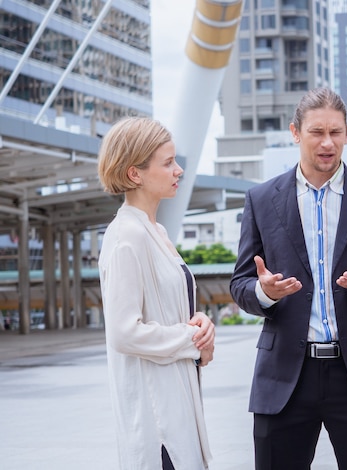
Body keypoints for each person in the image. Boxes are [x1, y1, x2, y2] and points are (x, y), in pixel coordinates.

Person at [230, 87, 347, 470]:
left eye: (336, 132)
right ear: (295, 132)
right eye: (317, 132)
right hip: (284, 377)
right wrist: (263, 293)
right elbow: (241, 284)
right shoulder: (261, 199)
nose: (327, 143)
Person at [97, 117, 215, 469]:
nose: (178, 170)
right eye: (167, 163)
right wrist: (190, 338)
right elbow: (124, 332)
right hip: (156, 417)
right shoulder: (125, 237)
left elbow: (170, 311)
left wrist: (201, 327)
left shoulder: (156, 231)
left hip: (178, 402)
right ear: (135, 174)